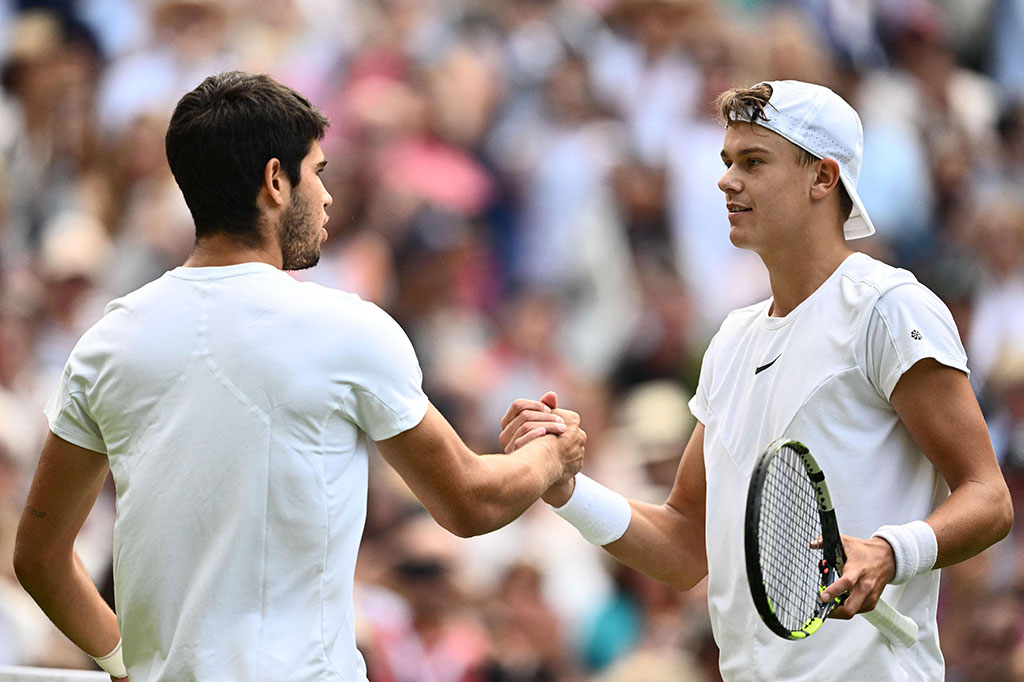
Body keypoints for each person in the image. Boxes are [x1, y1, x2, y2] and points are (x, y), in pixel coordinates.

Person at [13, 71, 586, 682]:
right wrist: (551, 456)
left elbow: (40, 558)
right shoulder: (347, 329)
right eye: (318, 172)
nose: (328, 196)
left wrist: (123, 664)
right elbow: (470, 502)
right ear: (276, 181)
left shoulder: (106, 343)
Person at [500, 80, 1014, 681]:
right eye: (727, 161)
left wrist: (890, 552)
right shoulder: (731, 341)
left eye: (753, 162)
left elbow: (989, 498)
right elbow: (683, 545)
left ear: (822, 178)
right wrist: (565, 488)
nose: (726, 180)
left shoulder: (889, 307)